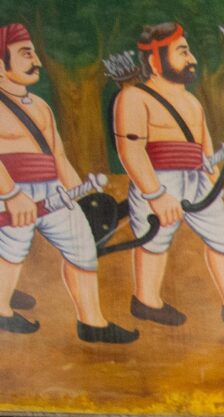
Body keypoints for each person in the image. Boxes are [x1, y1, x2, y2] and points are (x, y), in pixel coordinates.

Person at [112, 24, 224, 330]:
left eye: (189, 51)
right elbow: (131, 150)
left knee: (223, 237)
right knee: (154, 240)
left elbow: (205, 152)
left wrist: (217, 192)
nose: (192, 59)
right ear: (155, 61)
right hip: (158, 179)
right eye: (183, 52)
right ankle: (146, 301)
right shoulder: (133, 97)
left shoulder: (192, 102)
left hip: (198, 179)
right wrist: (155, 194)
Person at [0, 23, 134, 343]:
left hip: (53, 191)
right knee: (11, 250)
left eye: (35, 54)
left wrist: (80, 196)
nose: (37, 62)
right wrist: (11, 194)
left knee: (81, 245)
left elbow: (58, 154)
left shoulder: (42, 107)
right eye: (26, 54)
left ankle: (92, 323)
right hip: (11, 192)